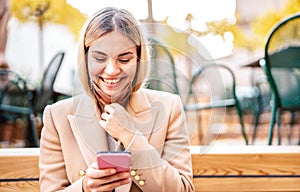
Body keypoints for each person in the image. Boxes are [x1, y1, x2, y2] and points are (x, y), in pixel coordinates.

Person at [39, 7, 194, 192]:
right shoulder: (57, 116)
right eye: (99, 58)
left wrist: (131, 137)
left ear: (139, 60)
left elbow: (183, 189)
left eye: (124, 59)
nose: (111, 70)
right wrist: (84, 188)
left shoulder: (169, 108)